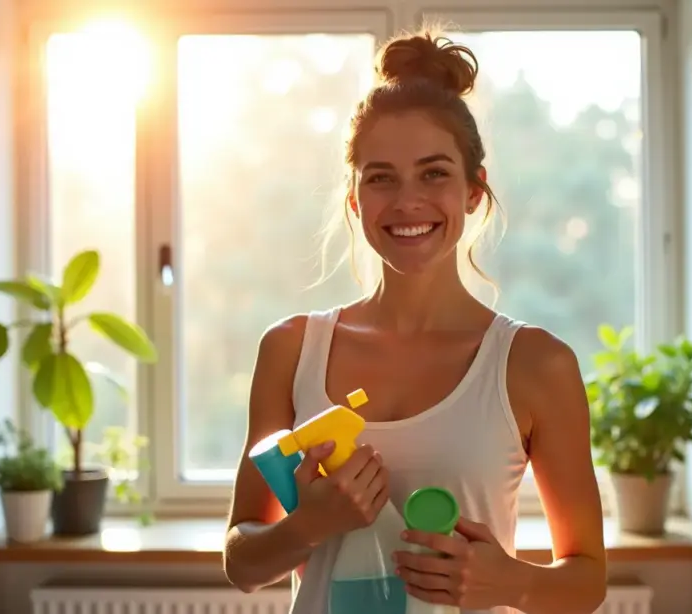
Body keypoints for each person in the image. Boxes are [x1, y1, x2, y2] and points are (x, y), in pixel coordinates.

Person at [223, 28, 607, 614]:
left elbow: (587, 580)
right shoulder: (290, 350)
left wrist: (512, 583)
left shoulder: (536, 365)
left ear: (474, 190)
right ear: (354, 198)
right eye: (381, 177)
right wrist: (309, 525)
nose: (407, 202)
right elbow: (242, 563)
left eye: (434, 173)